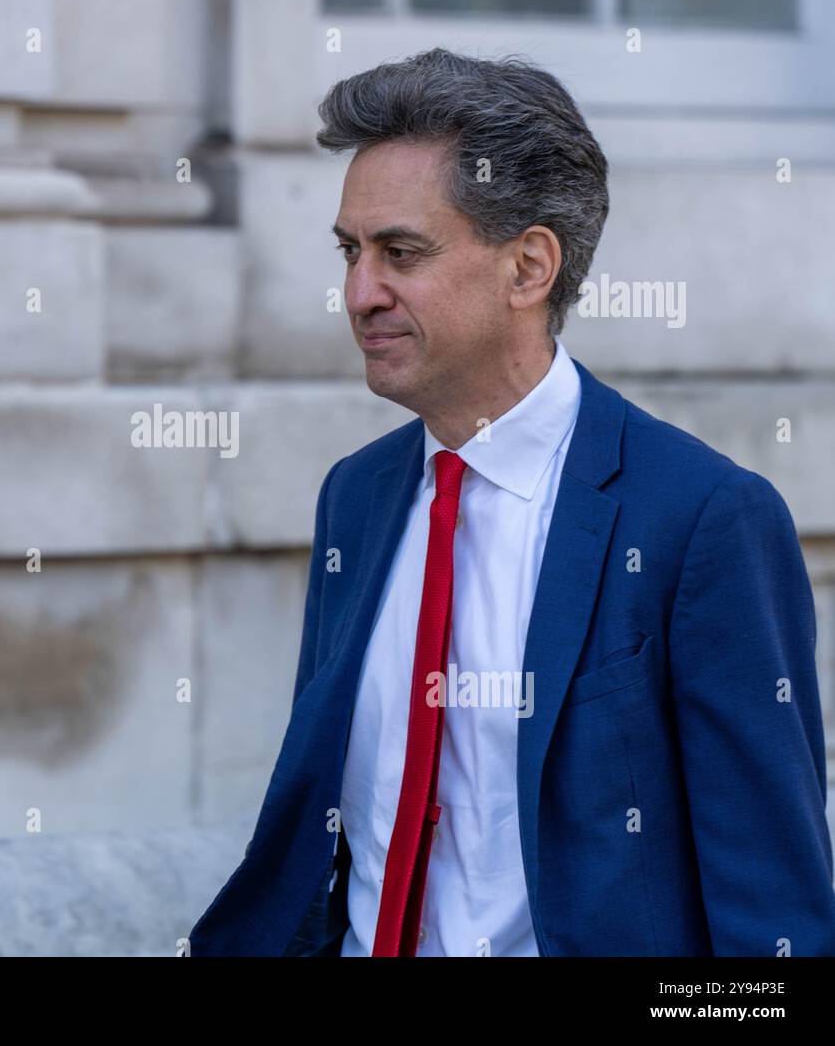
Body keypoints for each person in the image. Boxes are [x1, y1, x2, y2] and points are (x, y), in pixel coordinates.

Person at [187, 48, 835, 957]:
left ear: (528, 267)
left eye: (400, 253)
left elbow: (774, 923)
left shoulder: (701, 520)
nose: (358, 293)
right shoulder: (357, 498)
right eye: (351, 251)